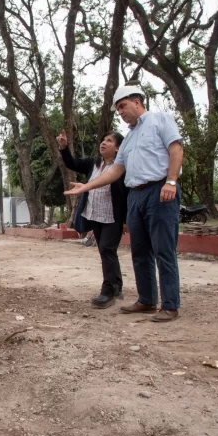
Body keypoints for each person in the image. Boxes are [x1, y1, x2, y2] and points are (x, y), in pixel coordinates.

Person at [64, 82, 184, 322]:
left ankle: (170, 304)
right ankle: (147, 300)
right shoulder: (128, 139)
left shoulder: (161, 120)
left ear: (137, 102)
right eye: (118, 109)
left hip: (159, 190)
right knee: (139, 251)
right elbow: (115, 171)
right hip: (135, 195)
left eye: (122, 106)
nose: (120, 112)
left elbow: (176, 149)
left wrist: (171, 181)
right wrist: (87, 186)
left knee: (163, 250)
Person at [58, 129, 128, 309]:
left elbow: (126, 194)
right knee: (107, 251)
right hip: (95, 214)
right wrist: (64, 147)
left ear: (118, 148)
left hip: (113, 216)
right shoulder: (93, 163)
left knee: (106, 249)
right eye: (103, 139)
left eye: (110, 141)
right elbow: (72, 163)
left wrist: (126, 219)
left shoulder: (122, 167)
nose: (103, 143)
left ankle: (108, 291)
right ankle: (117, 284)